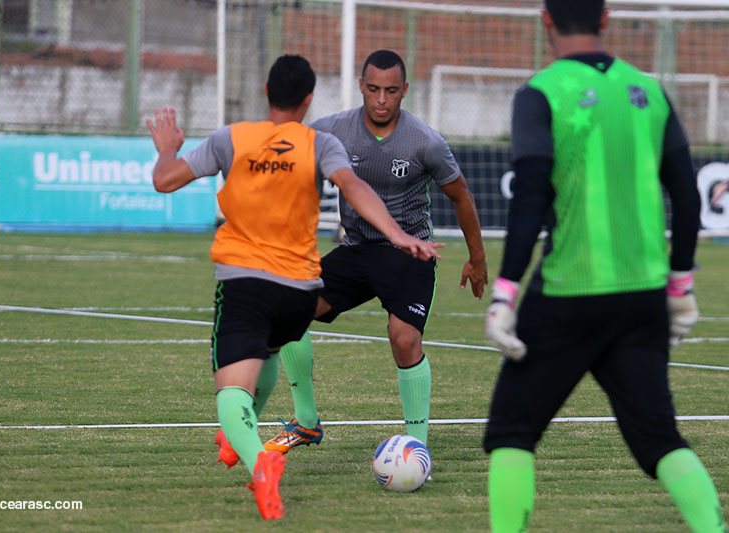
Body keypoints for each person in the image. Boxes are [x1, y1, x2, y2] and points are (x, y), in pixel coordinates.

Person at [147, 54, 442, 521]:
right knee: (267, 350)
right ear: (308, 100)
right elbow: (357, 188)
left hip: (245, 282)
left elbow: (165, 180)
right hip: (300, 289)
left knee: (231, 391)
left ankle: (260, 459)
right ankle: (250, 434)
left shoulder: (231, 138)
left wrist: (167, 147)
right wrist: (400, 233)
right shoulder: (319, 143)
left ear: (266, 91)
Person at [483, 2, 727, 532]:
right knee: (660, 439)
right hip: (643, 297)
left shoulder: (541, 93)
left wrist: (505, 293)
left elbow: (529, 199)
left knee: (511, 430)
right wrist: (680, 284)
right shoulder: (650, 91)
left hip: (570, 291)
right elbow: (686, 198)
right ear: (606, 17)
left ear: (545, 20)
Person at [259, 49, 487, 455]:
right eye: (374, 89)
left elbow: (461, 195)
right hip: (357, 250)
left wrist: (477, 257)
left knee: (403, 340)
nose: (382, 100)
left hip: (409, 254)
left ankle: (417, 446)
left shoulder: (426, 142)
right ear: (361, 87)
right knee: (289, 309)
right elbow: (291, 155)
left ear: (405, 91)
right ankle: (307, 422)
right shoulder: (332, 130)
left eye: (391, 91)